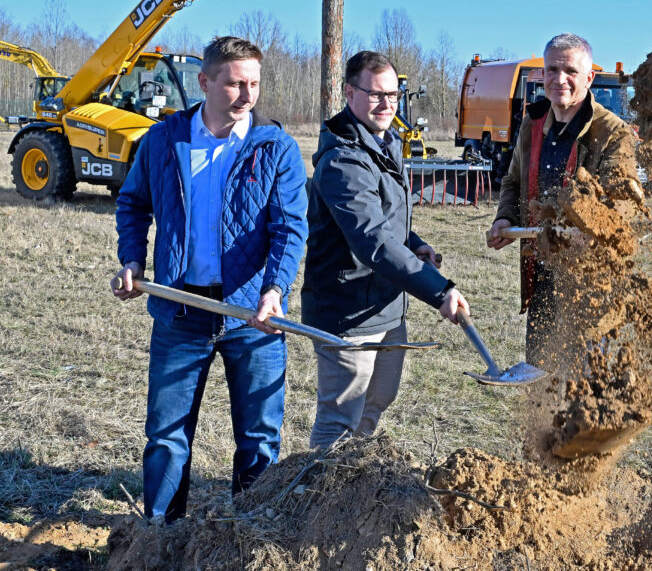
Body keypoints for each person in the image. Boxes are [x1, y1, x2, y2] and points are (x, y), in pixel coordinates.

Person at [112, 36, 309, 523]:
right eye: (235, 84)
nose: (247, 95)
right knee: (166, 433)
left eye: (255, 84)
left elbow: (290, 227)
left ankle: (251, 534)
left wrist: (274, 288)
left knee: (260, 437)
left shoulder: (276, 147)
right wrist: (133, 260)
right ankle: (159, 534)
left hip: (252, 317)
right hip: (180, 312)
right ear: (204, 82)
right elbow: (133, 204)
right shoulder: (164, 140)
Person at [301, 51, 468, 449]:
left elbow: (389, 221)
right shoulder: (343, 159)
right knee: (341, 418)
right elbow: (371, 239)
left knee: (375, 403)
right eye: (375, 94)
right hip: (348, 310)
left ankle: (351, 486)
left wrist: (416, 244)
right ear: (349, 93)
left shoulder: (384, 142)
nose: (386, 104)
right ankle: (318, 500)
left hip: (386, 304)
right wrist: (439, 290)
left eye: (393, 95)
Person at [486, 33, 640, 365]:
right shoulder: (533, 122)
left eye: (570, 71)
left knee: (584, 383)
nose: (560, 79)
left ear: (589, 78)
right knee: (540, 374)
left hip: (589, 282)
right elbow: (513, 180)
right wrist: (506, 219)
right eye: (552, 69)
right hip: (541, 275)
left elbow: (623, 201)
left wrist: (595, 229)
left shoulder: (613, 132)